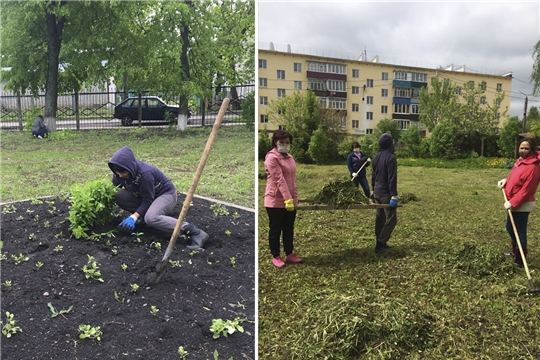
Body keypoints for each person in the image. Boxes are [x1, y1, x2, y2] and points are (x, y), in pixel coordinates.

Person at [108, 147, 208, 250]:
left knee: (151, 218)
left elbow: (148, 200)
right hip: (146, 196)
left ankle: (195, 232)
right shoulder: (119, 174)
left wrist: (133, 217)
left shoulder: (145, 174)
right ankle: (144, 217)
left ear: (130, 167)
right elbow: (113, 187)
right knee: (118, 195)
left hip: (166, 195)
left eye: (123, 172)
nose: (120, 175)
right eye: (117, 172)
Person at [497, 138, 540, 268]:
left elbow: (527, 190)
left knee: (519, 231)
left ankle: (520, 259)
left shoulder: (533, 167)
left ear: (532, 150)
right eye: (521, 148)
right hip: (513, 200)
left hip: (522, 203)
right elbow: (515, 177)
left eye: (526, 148)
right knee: (510, 228)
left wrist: (512, 202)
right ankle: (516, 251)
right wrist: (506, 181)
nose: (523, 150)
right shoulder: (521, 162)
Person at [264, 130, 301, 268]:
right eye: (282, 143)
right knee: (275, 229)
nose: (285, 145)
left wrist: (294, 199)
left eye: (287, 143)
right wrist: (287, 199)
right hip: (275, 200)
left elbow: (292, 180)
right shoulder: (272, 158)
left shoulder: (289, 157)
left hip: (290, 200)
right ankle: (276, 255)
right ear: (275, 142)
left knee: (288, 228)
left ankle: (289, 253)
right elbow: (279, 180)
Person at [371, 133, 398, 254]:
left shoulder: (376, 157)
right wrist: (393, 195)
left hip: (377, 192)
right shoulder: (391, 158)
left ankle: (380, 242)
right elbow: (392, 178)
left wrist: (372, 190)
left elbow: (373, 175)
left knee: (380, 218)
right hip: (386, 194)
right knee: (391, 219)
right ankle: (380, 244)